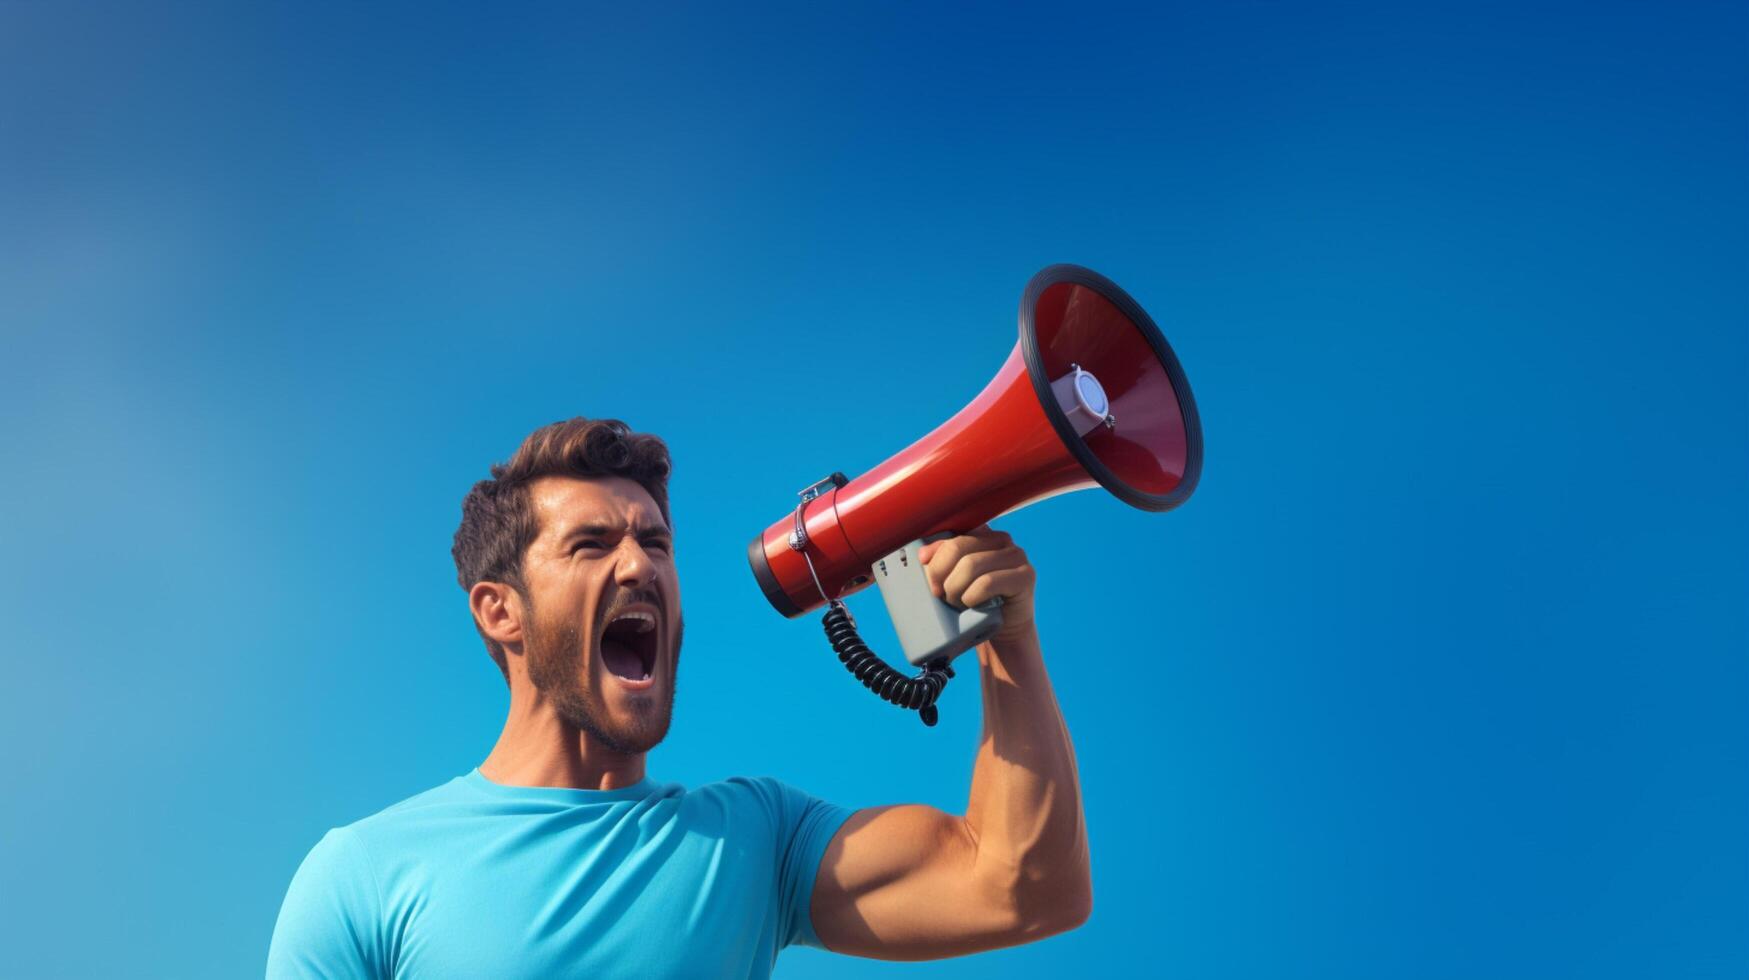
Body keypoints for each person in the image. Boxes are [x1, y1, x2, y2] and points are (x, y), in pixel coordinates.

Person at [267, 417, 1090, 978]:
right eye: (591, 544)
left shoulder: (755, 841)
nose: (639, 566)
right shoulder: (363, 872)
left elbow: (1021, 885)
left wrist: (1006, 643)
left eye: (655, 543)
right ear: (499, 610)